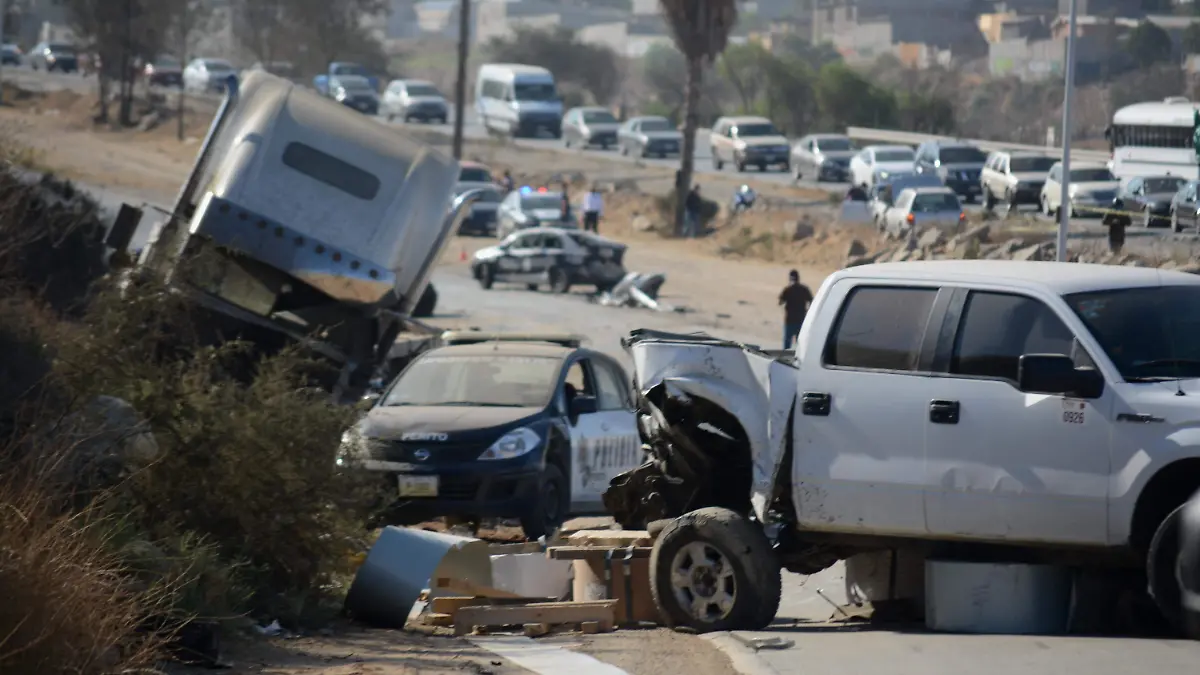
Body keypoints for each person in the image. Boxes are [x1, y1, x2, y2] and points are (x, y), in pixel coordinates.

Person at [779, 269, 813, 350]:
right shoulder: (804, 289)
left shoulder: (787, 289)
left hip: (789, 320)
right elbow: (811, 301)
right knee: (800, 346)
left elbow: (780, 302)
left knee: (787, 346)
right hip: (801, 319)